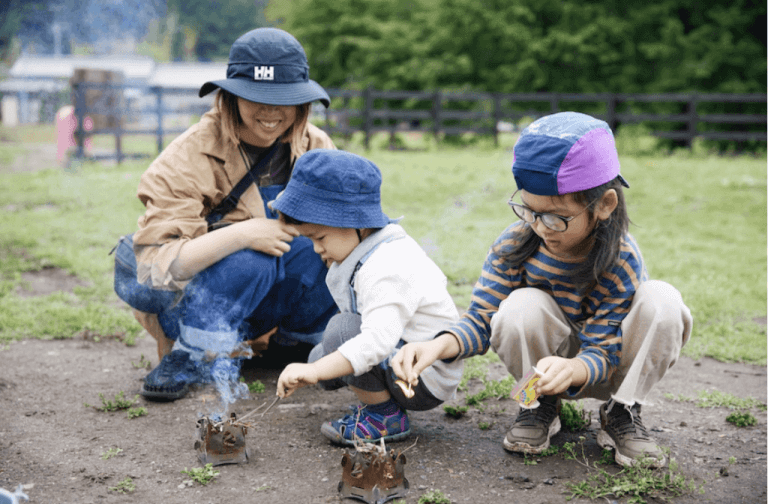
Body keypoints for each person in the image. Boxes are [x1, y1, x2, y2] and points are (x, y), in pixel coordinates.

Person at [392, 112, 693, 468]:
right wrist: (435, 345)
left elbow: (606, 347)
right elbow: (483, 319)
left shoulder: (621, 256)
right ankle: (537, 405)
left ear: (604, 205)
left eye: (556, 216)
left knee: (664, 301)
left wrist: (577, 368)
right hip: (543, 371)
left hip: (606, 364)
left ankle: (622, 412)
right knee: (521, 304)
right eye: (530, 211)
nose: (540, 227)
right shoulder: (515, 244)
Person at [119, 27, 339, 402]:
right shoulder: (185, 157)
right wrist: (243, 234)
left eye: (284, 98)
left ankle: (297, 344)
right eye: (257, 97)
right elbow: (159, 266)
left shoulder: (316, 146)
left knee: (331, 247)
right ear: (231, 97)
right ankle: (195, 353)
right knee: (252, 256)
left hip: (272, 297)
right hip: (194, 302)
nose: (271, 112)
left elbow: (348, 230)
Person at [270, 149, 464, 446]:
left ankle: (384, 416)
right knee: (323, 355)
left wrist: (314, 371)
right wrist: (319, 367)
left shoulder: (386, 266)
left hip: (422, 375)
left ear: (357, 225)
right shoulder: (368, 248)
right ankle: (377, 399)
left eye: (320, 238)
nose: (316, 249)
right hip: (404, 357)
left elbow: (375, 342)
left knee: (342, 331)